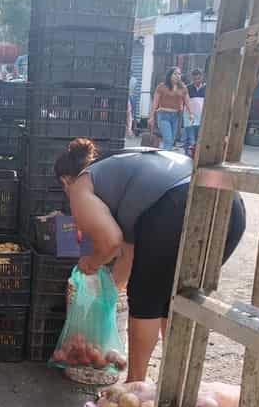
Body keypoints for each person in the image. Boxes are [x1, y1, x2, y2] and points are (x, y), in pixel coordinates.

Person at [54, 139, 246, 382]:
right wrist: (107, 296)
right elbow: (129, 255)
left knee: (146, 300)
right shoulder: (123, 172)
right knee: (176, 297)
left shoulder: (81, 185)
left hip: (176, 206)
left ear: (65, 180)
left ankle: (135, 384)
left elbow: (111, 243)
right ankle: (175, 384)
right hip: (232, 209)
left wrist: (91, 263)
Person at [150, 67, 191, 151]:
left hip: (176, 116)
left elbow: (187, 101)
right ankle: (166, 159)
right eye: (175, 74)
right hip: (163, 115)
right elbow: (155, 102)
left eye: (179, 74)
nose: (178, 76)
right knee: (168, 139)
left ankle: (165, 155)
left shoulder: (183, 87)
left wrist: (191, 113)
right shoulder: (162, 86)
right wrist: (151, 117)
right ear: (170, 75)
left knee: (172, 140)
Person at [184, 67, 207, 155]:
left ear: (202, 77)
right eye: (194, 79)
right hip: (189, 117)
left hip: (201, 118)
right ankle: (188, 156)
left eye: (198, 78)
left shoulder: (207, 88)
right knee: (190, 139)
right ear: (191, 78)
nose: (197, 81)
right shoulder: (187, 88)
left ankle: (195, 157)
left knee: (198, 139)